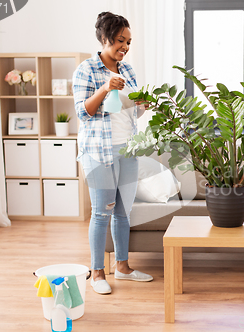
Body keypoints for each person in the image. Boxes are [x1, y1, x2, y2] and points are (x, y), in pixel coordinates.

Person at [72, 11, 152, 295]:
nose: (125, 47)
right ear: (105, 38)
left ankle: (123, 267)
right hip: (98, 151)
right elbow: (82, 112)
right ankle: (96, 273)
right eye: (121, 40)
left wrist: (143, 105)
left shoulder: (127, 70)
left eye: (129, 42)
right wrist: (105, 87)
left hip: (127, 148)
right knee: (101, 212)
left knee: (123, 212)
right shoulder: (86, 69)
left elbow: (130, 112)